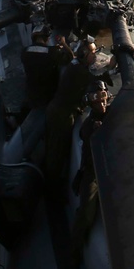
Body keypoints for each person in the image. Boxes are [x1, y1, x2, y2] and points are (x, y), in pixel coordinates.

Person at [44, 38, 98, 183]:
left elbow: (73, 57)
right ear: (84, 54)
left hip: (56, 109)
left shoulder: (75, 64)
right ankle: (52, 185)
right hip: (62, 115)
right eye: (92, 52)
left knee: (52, 147)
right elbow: (94, 80)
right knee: (56, 152)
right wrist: (112, 67)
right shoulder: (80, 71)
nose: (95, 55)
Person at [69, 82, 111, 257]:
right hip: (94, 170)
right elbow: (87, 136)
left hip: (114, 164)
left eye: (103, 98)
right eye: (97, 99)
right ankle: (75, 251)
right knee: (86, 212)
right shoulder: (89, 126)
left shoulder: (113, 114)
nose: (101, 103)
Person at [22, 29, 72, 109]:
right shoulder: (52, 52)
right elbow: (70, 57)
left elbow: (37, 56)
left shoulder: (24, 51)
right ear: (46, 38)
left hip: (32, 94)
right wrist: (63, 43)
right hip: (49, 95)